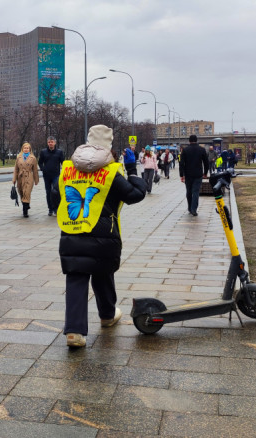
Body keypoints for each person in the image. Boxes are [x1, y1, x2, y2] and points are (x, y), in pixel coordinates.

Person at [54, 124, 146, 347]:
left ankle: (74, 332)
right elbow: (135, 195)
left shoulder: (68, 167)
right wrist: (132, 170)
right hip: (104, 235)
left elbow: (54, 194)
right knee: (103, 271)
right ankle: (106, 315)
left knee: (76, 277)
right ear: (109, 146)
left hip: (72, 231)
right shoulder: (111, 171)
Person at [179, 135, 209, 216]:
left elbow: (181, 163)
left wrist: (182, 175)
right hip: (198, 174)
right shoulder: (201, 149)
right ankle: (194, 209)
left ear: (189, 141)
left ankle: (189, 207)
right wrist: (205, 173)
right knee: (195, 192)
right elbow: (206, 162)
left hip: (188, 174)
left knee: (189, 191)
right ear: (197, 140)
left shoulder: (185, 150)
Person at [38, 136, 64, 216]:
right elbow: (40, 162)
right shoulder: (43, 152)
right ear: (47, 143)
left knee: (55, 192)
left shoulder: (59, 152)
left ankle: (56, 208)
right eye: (49, 142)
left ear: (55, 143)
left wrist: (64, 171)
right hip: (46, 176)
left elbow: (63, 162)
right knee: (48, 192)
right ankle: (50, 209)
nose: (50, 143)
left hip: (56, 175)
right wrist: (43, 169)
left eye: (52, 142)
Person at [13, 142, 39, 217]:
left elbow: (35, 170)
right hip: (20, 177)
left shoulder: (33, 158)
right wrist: (14, 179)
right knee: (21, 192)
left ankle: (25, 211)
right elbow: (16, 169)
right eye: (25, 148)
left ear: (30, 149)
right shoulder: (19, 157)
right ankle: (26, 205)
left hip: (29, 177)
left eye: (27, 148)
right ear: (22, 149)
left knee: (27, 192)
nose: (26, 149)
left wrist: (36, 180)